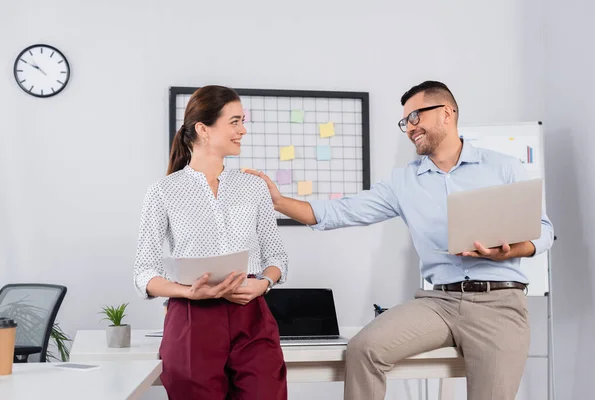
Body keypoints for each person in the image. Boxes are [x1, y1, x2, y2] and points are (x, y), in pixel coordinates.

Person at [246, 80, 554, 400]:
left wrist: (510, 251)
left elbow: (543, 231)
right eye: (405, 121)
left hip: (499, 304)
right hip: (439, 303)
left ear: (447, 113)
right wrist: (279, 201)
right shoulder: (403, 182)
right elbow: (338, 211)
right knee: (363, 350)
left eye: (416, 117)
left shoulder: (503, 167)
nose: (409, 128)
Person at [133, 85, 288, 400]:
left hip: (251, 314)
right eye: (234, 121)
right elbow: (143, 273)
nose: (242, 130)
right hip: (192, 318)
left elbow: (277, 257)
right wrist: (187, 291)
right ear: (203, 129)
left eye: (242, 121)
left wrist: (264, 284)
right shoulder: (163, 191)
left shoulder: (253, 187)